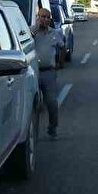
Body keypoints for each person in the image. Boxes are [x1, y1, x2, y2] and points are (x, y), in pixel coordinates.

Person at [32, 7, 64, 138]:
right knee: (31, 106)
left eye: (47, 17)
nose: (45, 19)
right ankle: (30, 134)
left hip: (48, 72)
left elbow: (62, 47)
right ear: (37, 17)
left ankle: (52, 127)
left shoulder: (54, 33)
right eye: (42, 16)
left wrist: (59, 64)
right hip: (32, 73)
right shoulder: (31, 32)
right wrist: (35, 30)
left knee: (51, 102)